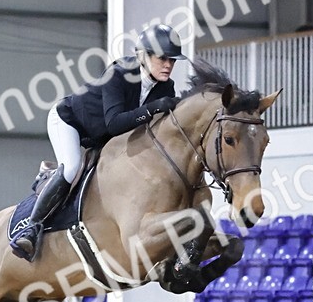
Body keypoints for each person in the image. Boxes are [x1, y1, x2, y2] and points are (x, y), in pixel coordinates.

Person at [10, 23, 186, 260]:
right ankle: (31, 227)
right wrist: (153, 108)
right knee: (71, 167)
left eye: (172, 61)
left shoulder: (166, 87)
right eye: (163, 58)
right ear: (144, 56)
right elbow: (114, 123)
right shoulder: (120, 73)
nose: (168, 65)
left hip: (103, 138)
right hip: (70, 122)